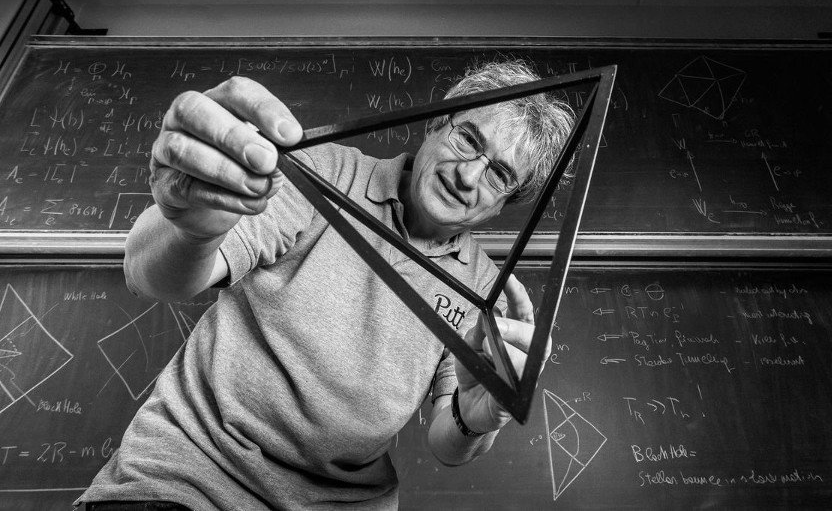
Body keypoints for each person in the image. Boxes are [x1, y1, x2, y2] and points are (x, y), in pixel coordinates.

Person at [77, 60, 574, 510]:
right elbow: (151, 276)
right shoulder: (324, 170)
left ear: (507, 203)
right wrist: (192, 228)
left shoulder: (484, 289)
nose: (468, 176)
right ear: (436, 124)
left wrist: (475, 417)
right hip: (189, 478)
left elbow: (449, 444)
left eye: (499, 174)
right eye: (468, 139)